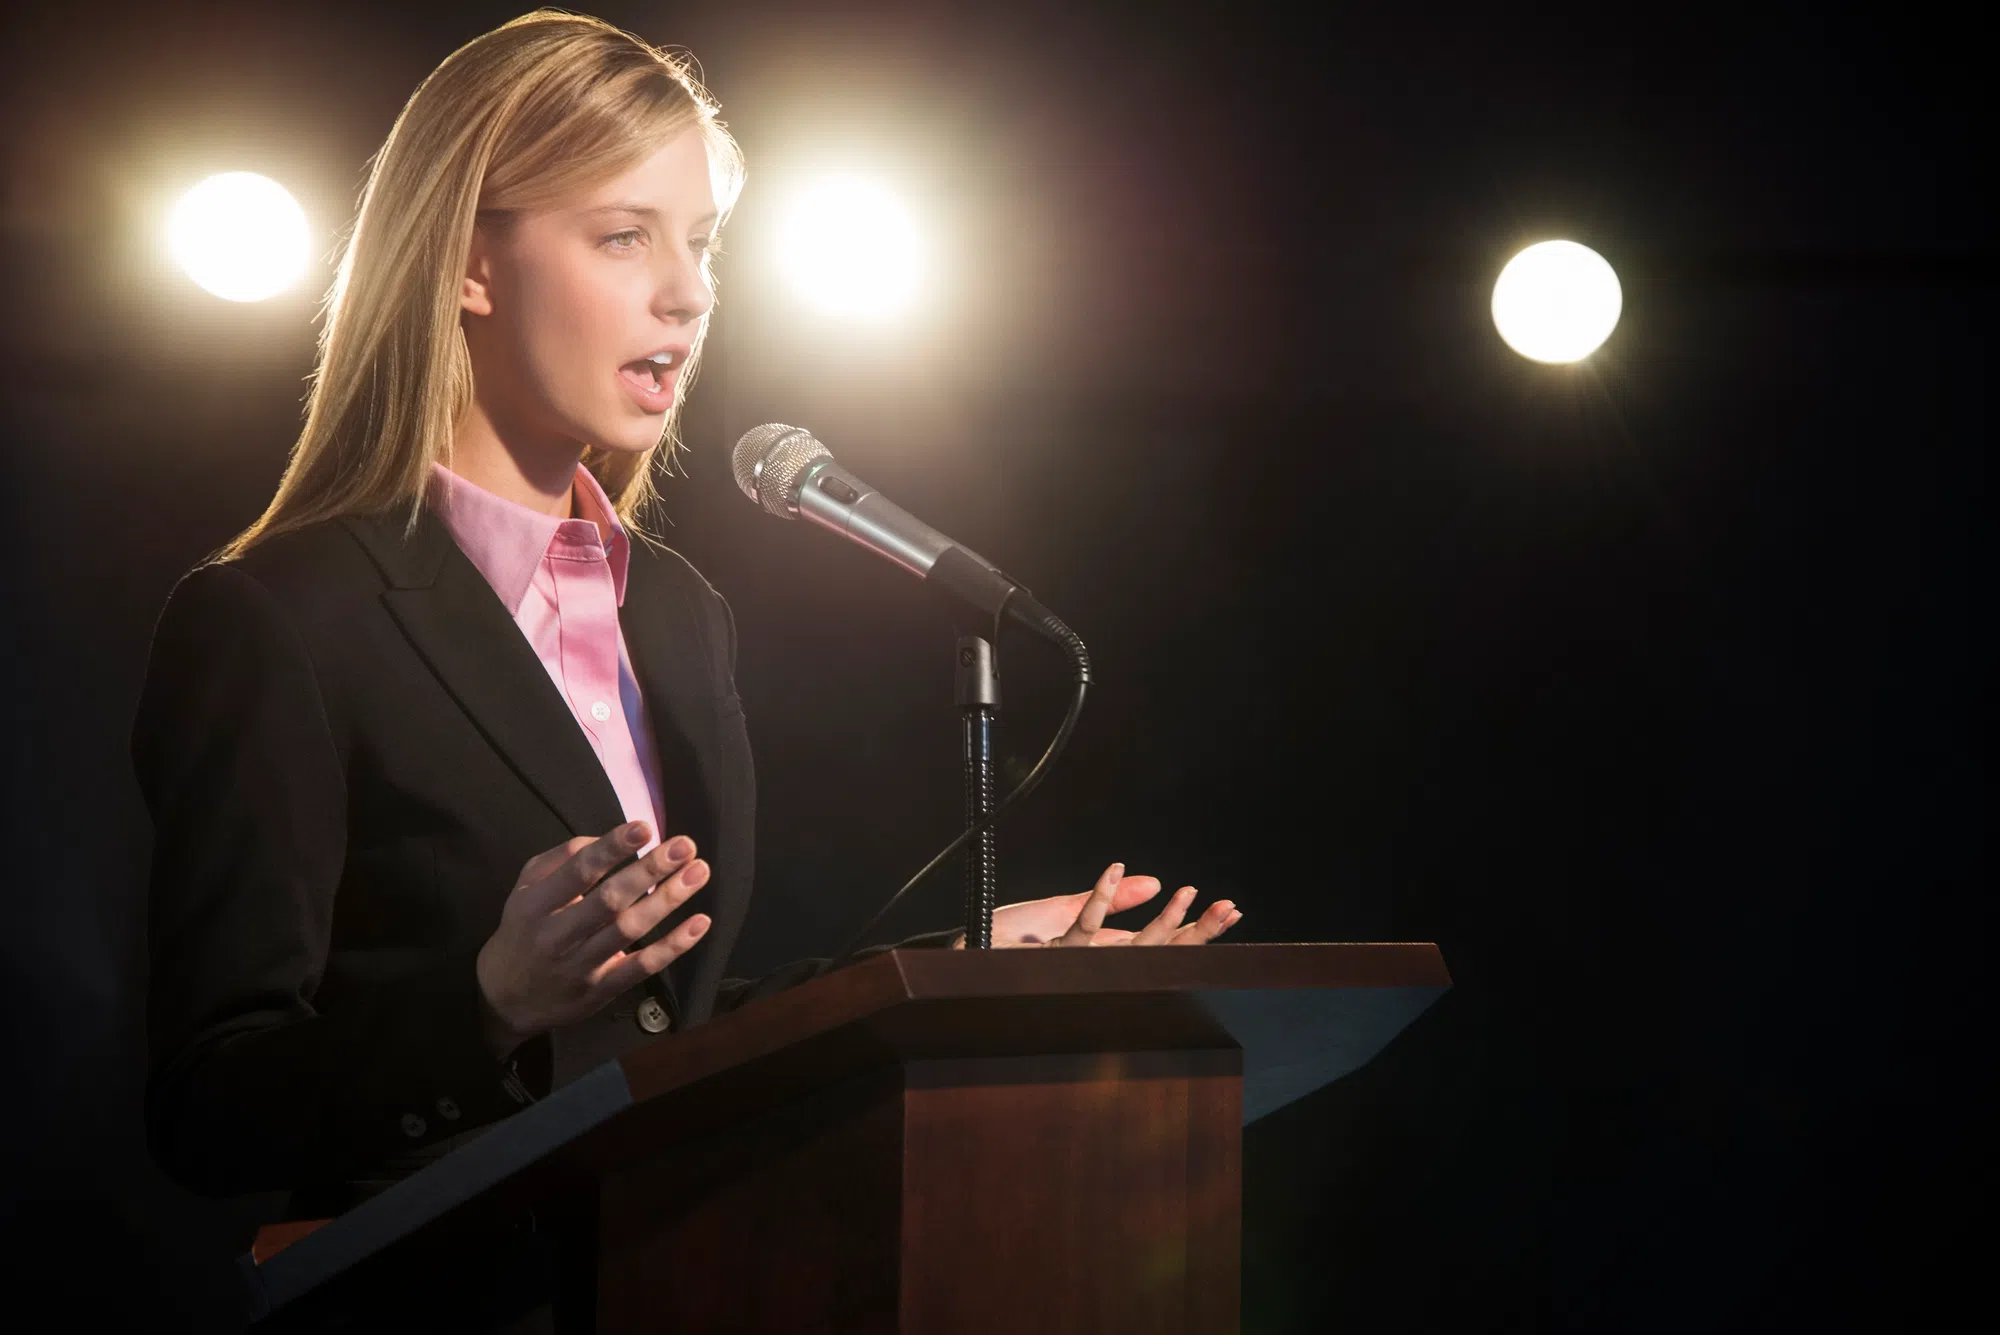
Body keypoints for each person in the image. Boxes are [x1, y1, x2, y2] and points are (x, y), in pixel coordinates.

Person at [131, 10, 1242, 1224]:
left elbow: (667, 1035)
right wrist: (488, 1002)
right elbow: (207, 1105)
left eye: (703, 245)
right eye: (622, 237)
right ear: (468, 263)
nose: (689, 293)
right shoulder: (277, 620)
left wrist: (965, 970)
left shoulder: (673, 610)